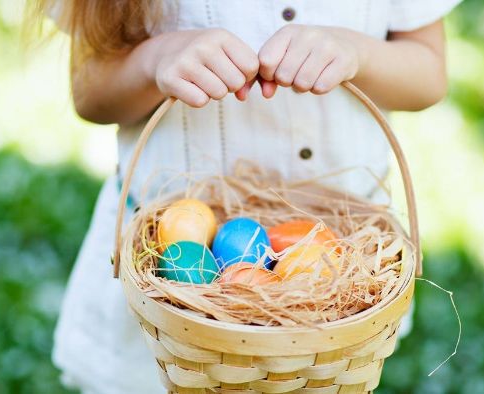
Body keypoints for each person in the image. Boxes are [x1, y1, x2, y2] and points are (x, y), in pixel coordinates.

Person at [28, 1, 461, 392]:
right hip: (164, 298)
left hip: (336, 289)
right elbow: (90, 92)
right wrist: (154, 60)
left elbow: (428, 75)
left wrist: (358, 52)